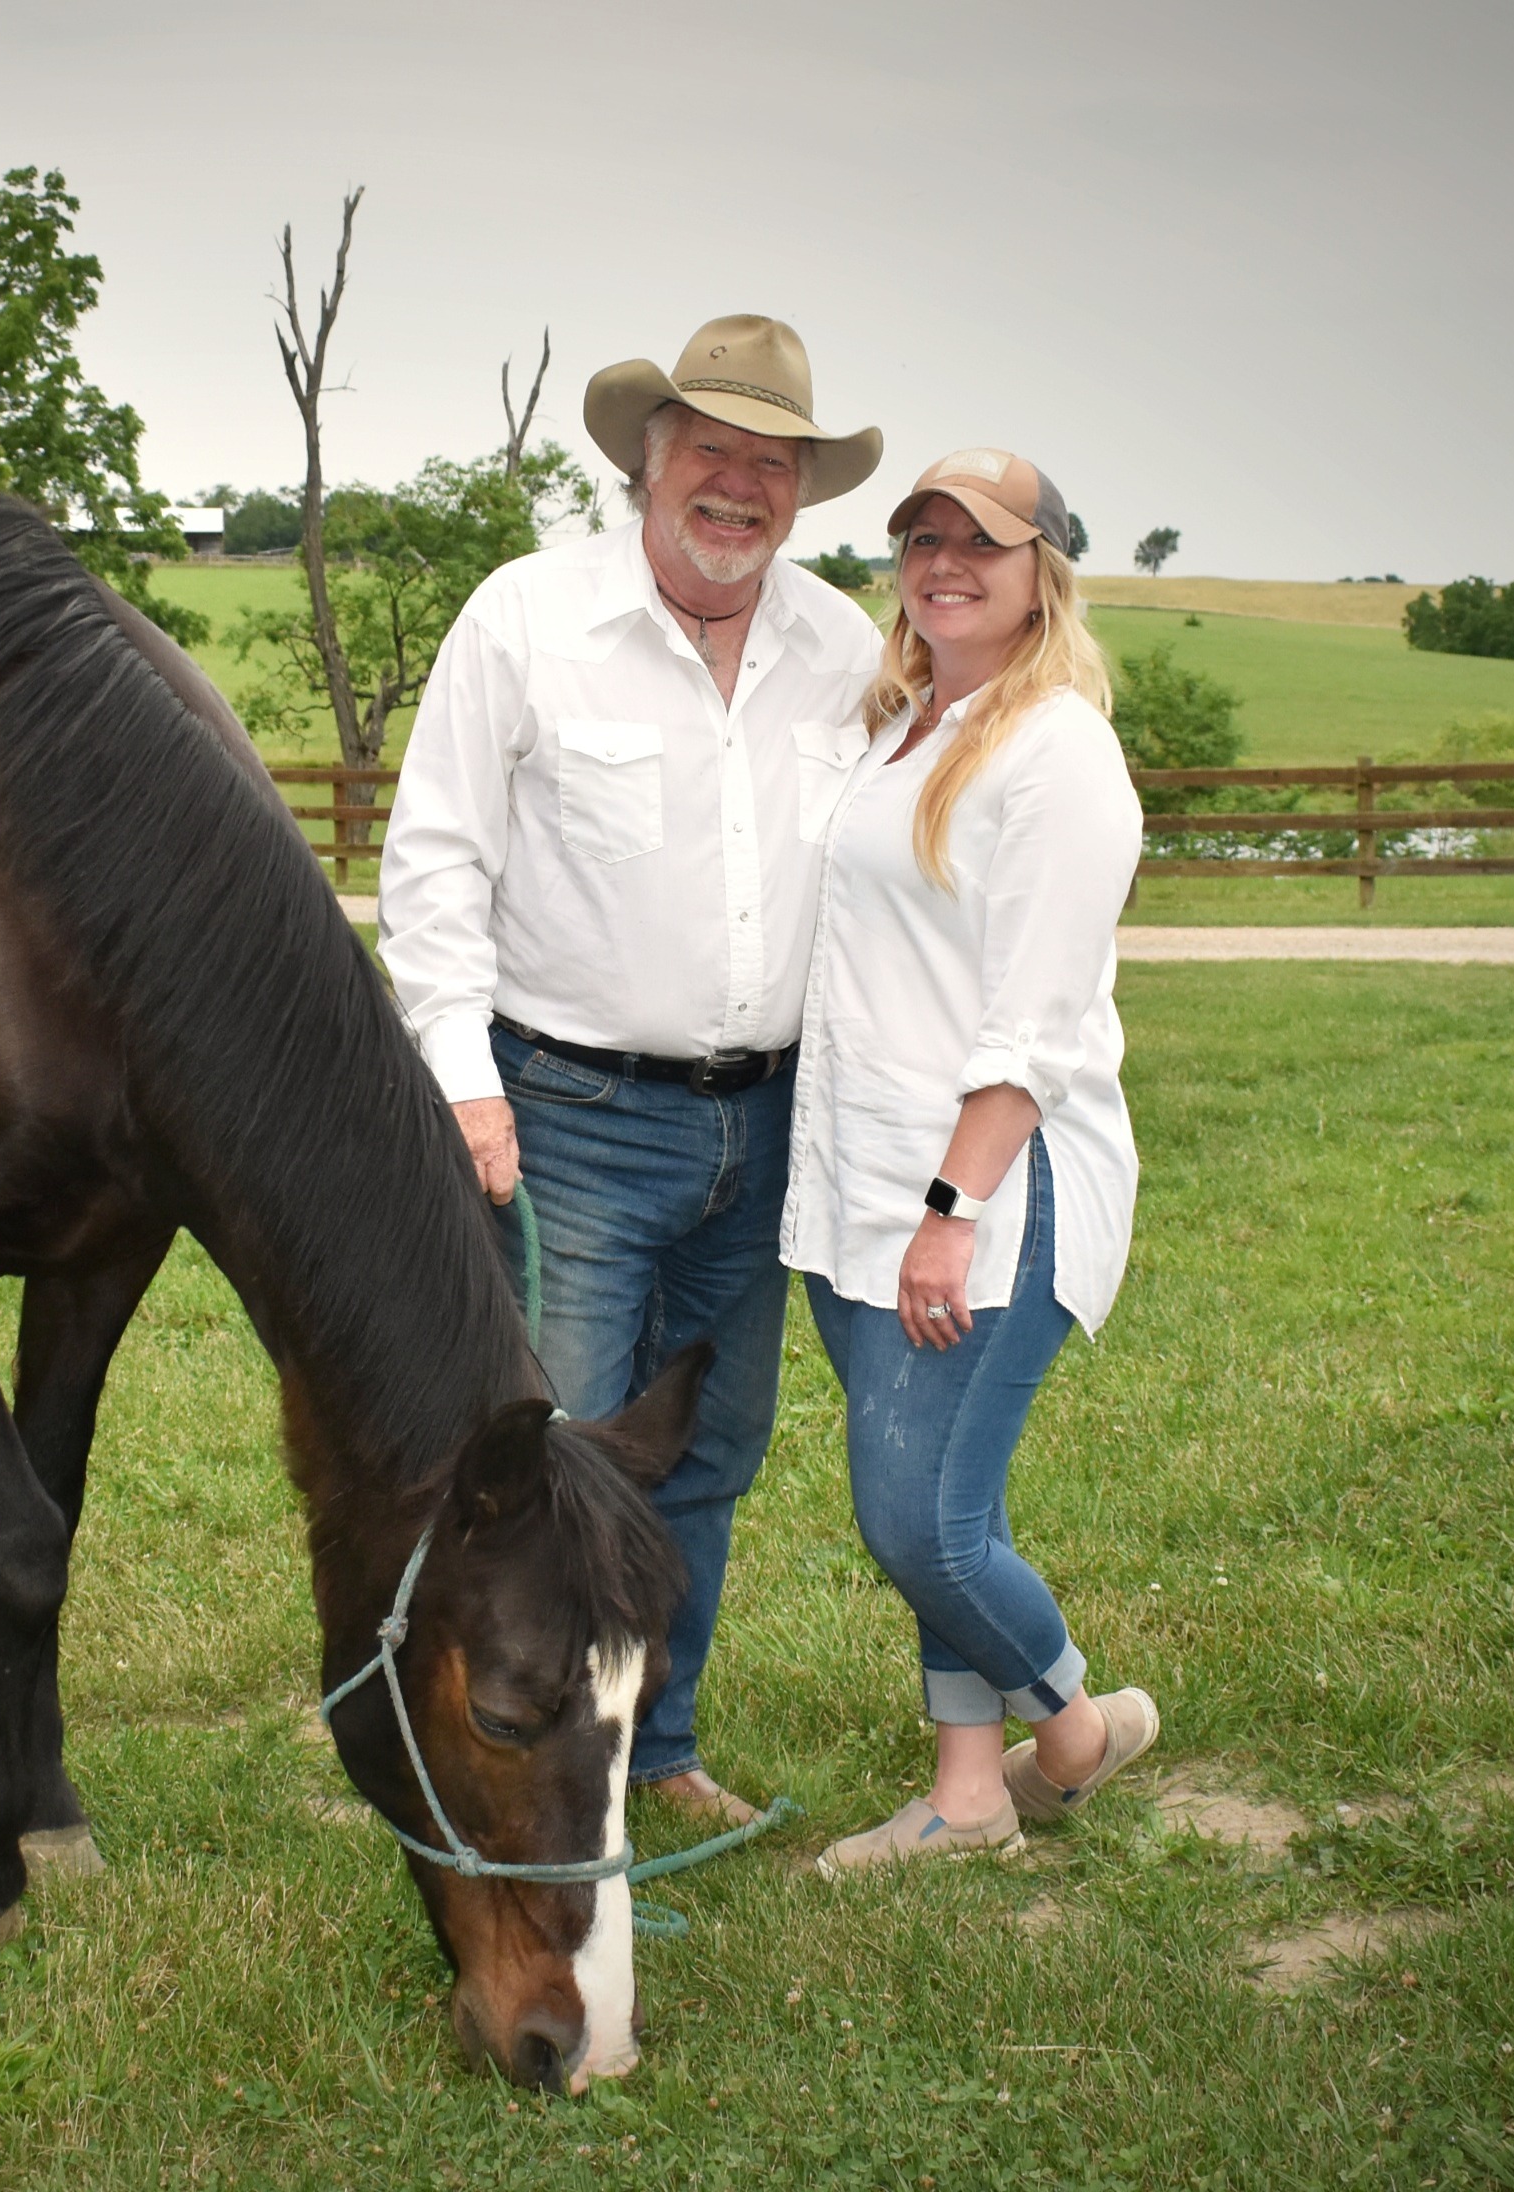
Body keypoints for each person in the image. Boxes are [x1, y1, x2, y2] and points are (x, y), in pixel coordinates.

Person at [380, 315, 883, 1826]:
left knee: (709, 1452)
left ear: (801, 492)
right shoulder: (527, 620)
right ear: (648, 465)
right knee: (547, 1464)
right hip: (570, 1118)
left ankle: (655, 1753)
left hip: (766, 1122)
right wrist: (462, 1077)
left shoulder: (843, 650)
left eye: (771, 464)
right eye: (711, 452)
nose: (738, 487)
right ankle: (503, 1759)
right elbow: (436, 861)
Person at [780, 447, 1159, 1874]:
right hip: (857, 1175)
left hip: (988, 1188)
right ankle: (965, 1794)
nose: (945, 565)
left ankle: (1072, 1731)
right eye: (922, 540)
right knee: (947, 1500)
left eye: (981, 544)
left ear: (1040, 573)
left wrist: (950, 1210)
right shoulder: (900, 727)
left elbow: (1033, 1023)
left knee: (920, 1523)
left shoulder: (1056, 751)